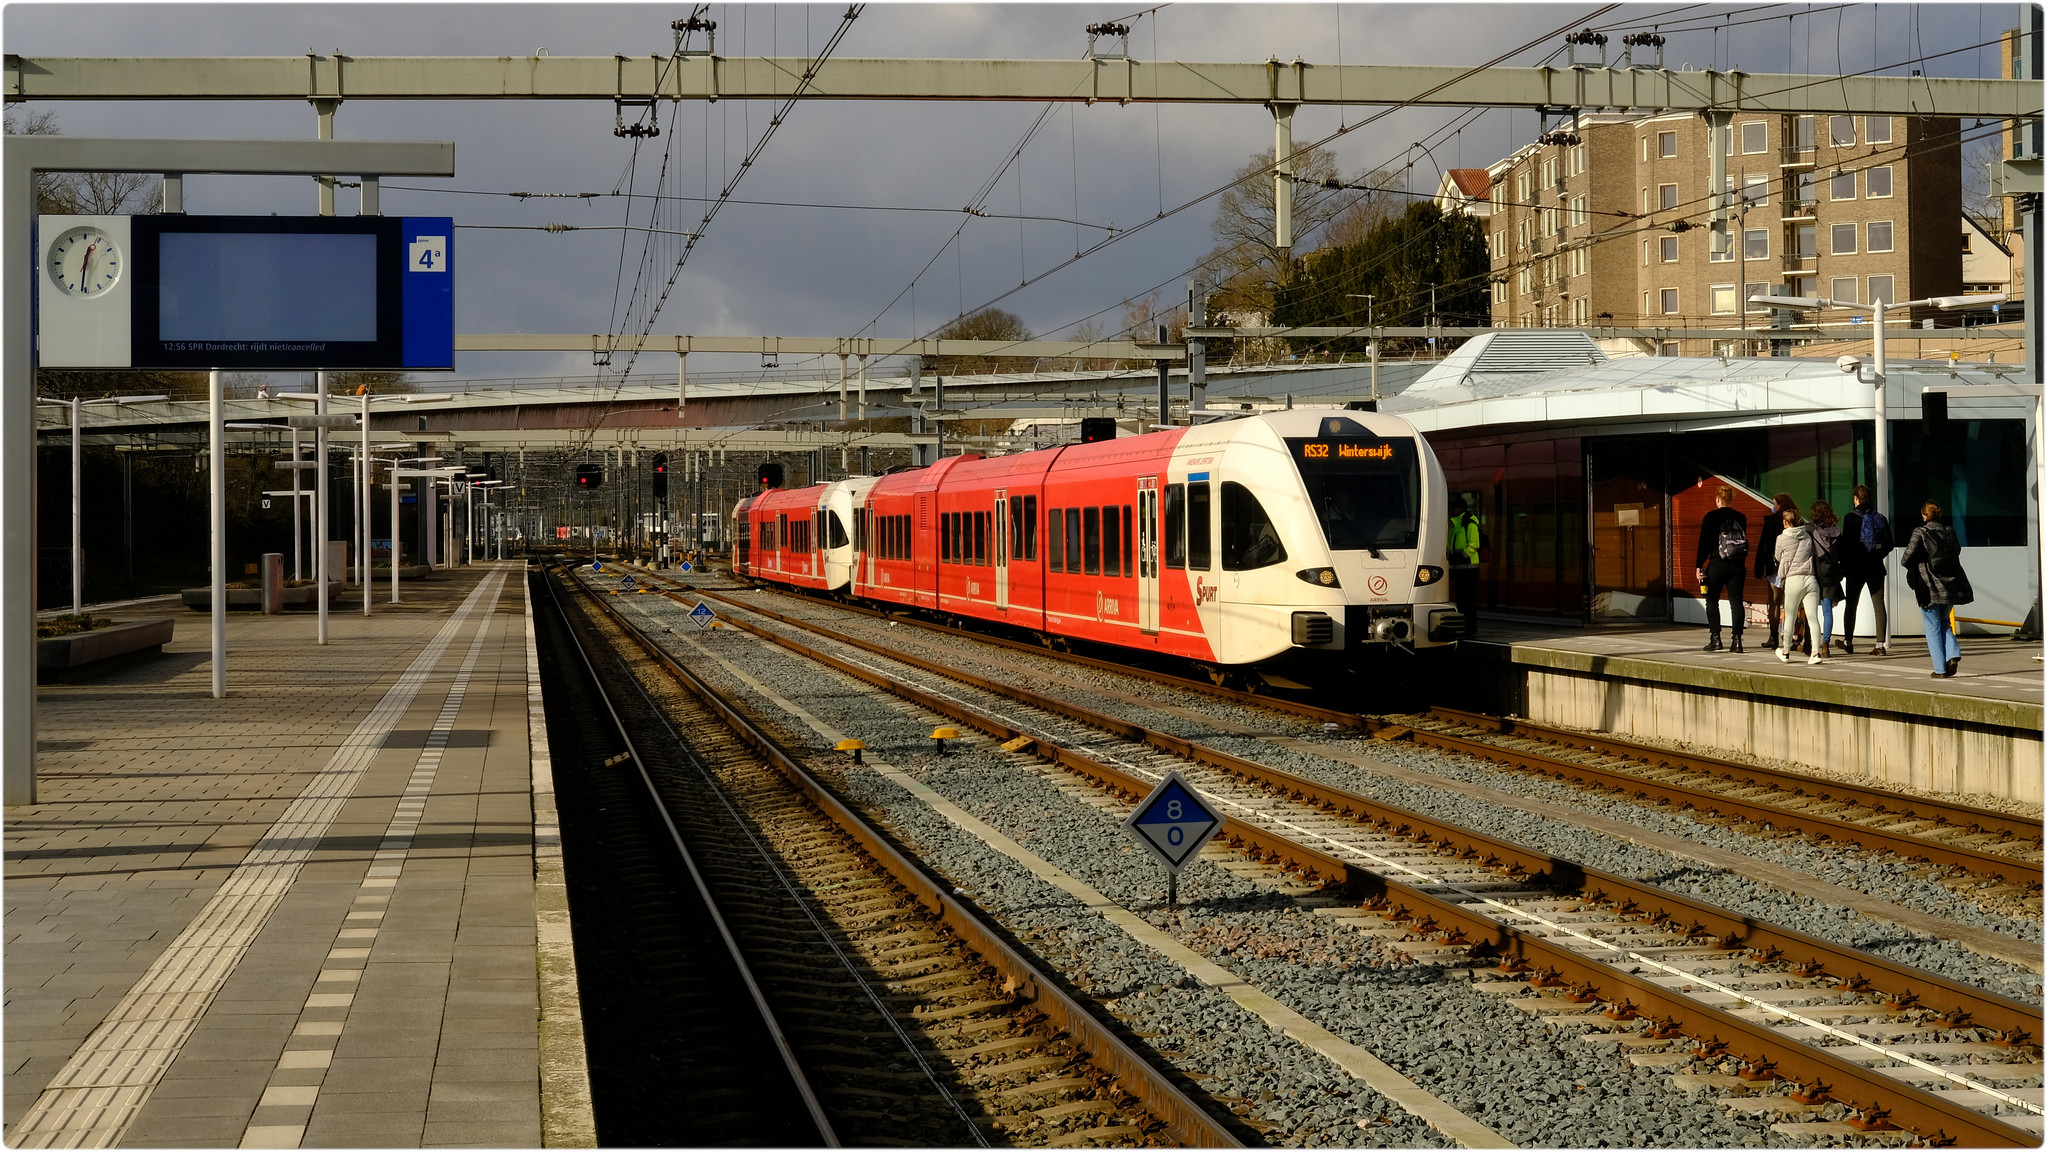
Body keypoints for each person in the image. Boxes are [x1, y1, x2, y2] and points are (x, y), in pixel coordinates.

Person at [1899, 500, 1974, 678]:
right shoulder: (1950, 531)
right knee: (1944, 622)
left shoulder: (1920, 531)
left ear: (1924, 516)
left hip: (1929, 586)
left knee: (1932, 627)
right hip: (1952, 585)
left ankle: (1940, 669)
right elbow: (1957, 550)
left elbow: (1906, 557)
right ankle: (1953, 653)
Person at [1837, 484, 1892, 656]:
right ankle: (1880, 644)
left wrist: (1844, 567)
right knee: (1879, 606)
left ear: (1856, 498)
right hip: (1876, 567)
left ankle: (1848, 642)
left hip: (1856, 568)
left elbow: (1846, 546)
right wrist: (1878, 555)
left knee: (1852, 605)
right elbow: (1889, 543)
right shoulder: (1880, 518)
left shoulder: (1850, 518)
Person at [1693, 485, 1748, 652]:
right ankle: (1737, 641)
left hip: (1717, 564)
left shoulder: (1710, 517)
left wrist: (1699, 565)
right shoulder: (1741, 517)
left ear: (1718, 499)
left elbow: (1704, 543)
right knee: (1736, 602)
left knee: (1712, 600)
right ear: (1731, 499)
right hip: (1737, 566)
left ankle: (1715, 639)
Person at [1771, 506, 1825, 665]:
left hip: (1793, 579)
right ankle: (1815, 653)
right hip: (1810, 579)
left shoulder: (1781, 538)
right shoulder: (1807, 536)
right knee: (1813, 618)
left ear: (1786, 522)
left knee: (1790, 617)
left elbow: (1777, 556)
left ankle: (1786, 651)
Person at [1755, 492, 1798, 650]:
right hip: (1794, 567)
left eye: (1775, 504)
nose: (1772, 507)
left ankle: (1774, 638)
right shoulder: (1798, 521)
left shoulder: (1772, 522)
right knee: (1792, 604)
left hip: (1775, 567)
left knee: (1774, 602)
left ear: (1780, 505)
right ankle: (1794, 637)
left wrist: (1759, 568)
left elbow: (1763, 546)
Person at [1809, 500, 1846, 658]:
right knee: (1827, 612)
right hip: (1831, 574)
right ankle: (1826, 644)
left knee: (1811, 611)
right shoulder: (1837, 532)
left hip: (1816, 573)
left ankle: (1811, 643)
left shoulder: (1811, 531)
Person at [1447, 497, 1481, 638]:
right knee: (1461, 600)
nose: (1451, 511)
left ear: (1458, 508)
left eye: (1453, 508)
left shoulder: (1469, 522)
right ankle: (1463, 628)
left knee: (1468, 601)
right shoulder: (1455, 523)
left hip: (1469, 568)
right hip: (1458, 568)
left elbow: (1474, 544)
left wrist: (1462, 555)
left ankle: (1471, 629)